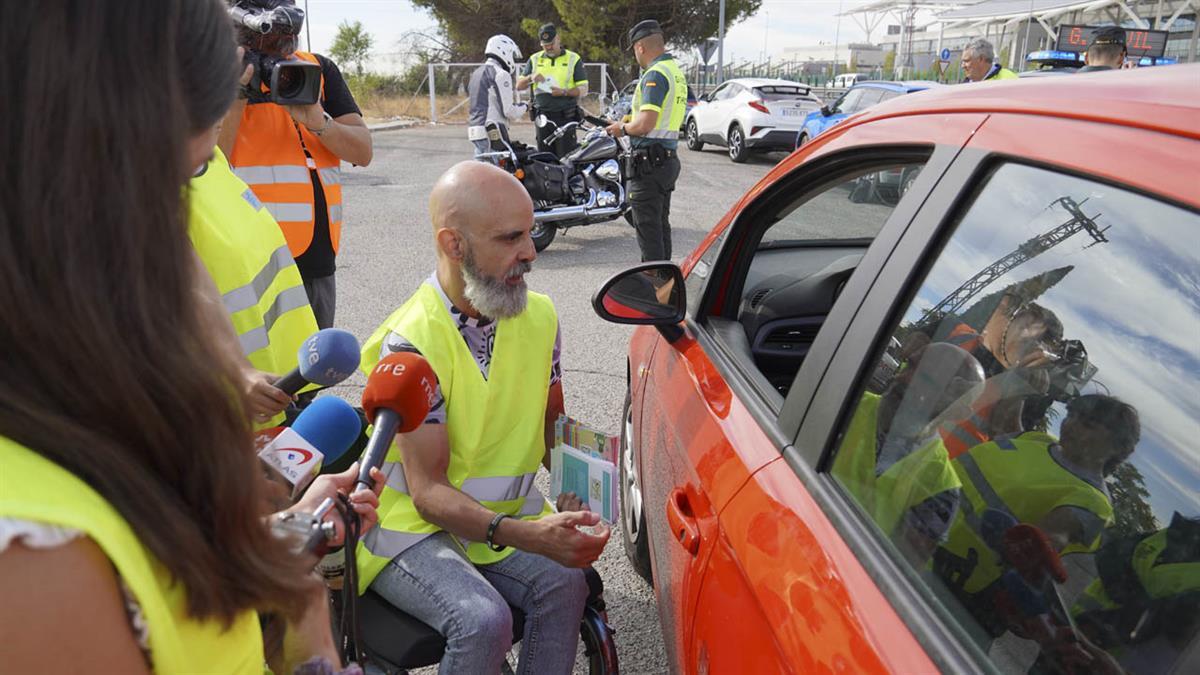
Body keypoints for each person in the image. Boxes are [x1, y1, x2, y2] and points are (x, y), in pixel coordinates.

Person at [0, 1, 380, 672]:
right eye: (169, 184)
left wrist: (271, 538)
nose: (175, 240)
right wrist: (316, 657)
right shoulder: (35, 557)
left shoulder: (97, 395)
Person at [354, 161, 609, 674]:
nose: (531, 252)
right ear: (454, 245)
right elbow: (426, 495)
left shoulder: (540, 315)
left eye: (532, 232)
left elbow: (552, 425)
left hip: (495, 525)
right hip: (407, 532)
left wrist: (586, 488)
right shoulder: (410, 344)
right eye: (511, 238)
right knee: (482, 620)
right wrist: (532, 535)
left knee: (567, 583)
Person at [218, 0, 373, 331]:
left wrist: (320, 122)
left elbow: (363, 151)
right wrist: (234, 96)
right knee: (259, 370)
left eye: (284, 38)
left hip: (316, 261)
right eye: (269, 40)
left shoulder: (317, 70)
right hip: (250, 260)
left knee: (313, 370)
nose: (278, 49)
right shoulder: (215, 74)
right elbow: (210, 162)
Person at [933, 394, 1140, 637]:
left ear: (1116, 447)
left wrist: (1038, 547)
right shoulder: (1037, 439)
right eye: (1072, 415)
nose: (1070, 424)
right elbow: (1004, 415)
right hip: (916, 531)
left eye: (1088, 424)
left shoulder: (1092, 500)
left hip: (957, 594)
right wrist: (1028, 380)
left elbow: (1048, 539)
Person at [189, 140, 320, 428]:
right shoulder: (137, 191)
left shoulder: (213, 161)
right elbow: (189, 285)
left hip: (270, 389)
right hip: (211, 401)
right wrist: (234, 371)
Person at [831, 343, 986, 565]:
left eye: (928, 381)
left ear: (957, 411)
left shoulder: (941, 487)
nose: (905, 379)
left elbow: (895, 571)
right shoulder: (845, 403)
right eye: (910, 365)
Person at [606, 19, 688, 262]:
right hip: (666, 160)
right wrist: (631, 118)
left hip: (650, 164)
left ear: (640, 47)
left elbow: (646, 125)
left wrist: (622, 128)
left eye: (633, 50)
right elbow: (659, 117)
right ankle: (666, 285)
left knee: (649, 232)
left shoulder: (654, 75)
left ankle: (654, 291)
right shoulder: (674, 72)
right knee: (660, 227)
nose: (635, 55)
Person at [516, 23, 588, 156]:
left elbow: (583, 89)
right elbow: (519, 86)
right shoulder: (535, 59)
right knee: (544, 159)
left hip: (565, 118)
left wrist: (564, 92)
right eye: (545, 45)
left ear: (558, 39)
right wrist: (530, 78)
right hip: (543, 118)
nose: (548, 47)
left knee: (566, 159)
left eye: (551, 43)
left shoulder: (573, 58)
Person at [467, 34, 528, 161]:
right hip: (493, 131)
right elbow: (509, 111)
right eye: (512, 55)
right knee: (498, 177)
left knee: (481, 174)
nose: (512, 59)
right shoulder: (501, 74)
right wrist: (526, 106)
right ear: (503, 50)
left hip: (475, 130)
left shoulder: (476, 73)